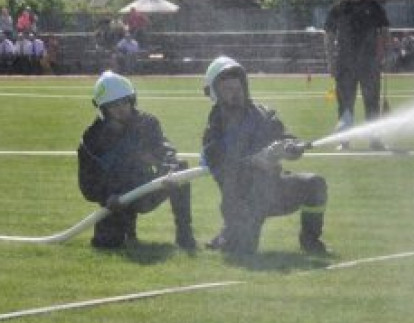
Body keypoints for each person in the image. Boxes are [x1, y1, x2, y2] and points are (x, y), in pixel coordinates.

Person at [201, 56, 328, 256]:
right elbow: (221, 169)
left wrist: (292, 146)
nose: (236, 94)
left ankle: (310, 241)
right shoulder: (214, 131)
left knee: (315, 183)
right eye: (228, 90)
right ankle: (230, 234)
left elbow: (284, 135)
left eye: (238, 88)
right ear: (215, 94)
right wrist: (254, 162)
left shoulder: (263, 114)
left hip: (275, 190)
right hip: (243, 200)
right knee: (243, 252)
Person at [77, 71, 196, 250]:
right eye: (114, 105)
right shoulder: (91, 138)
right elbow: (87, 185)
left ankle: (185, 234)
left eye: (125, 101)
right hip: (114, 198)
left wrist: (169, 168)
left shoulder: (147, 123)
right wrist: (107, 195)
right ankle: (127, 229)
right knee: (107, 245)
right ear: (102, 109)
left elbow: (165, 149)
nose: (122, 108)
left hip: (145, 191)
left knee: (181, 169)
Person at [323, 0, 389, 150]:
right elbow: (329, 35)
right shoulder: (338, 9)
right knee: (345, 104)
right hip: (345, 64)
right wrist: (330, 61)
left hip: (369, 63)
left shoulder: (373, 6)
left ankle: (375, 140)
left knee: (372, 103)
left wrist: (382, 54)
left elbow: (384, 31)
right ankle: (344, 141)